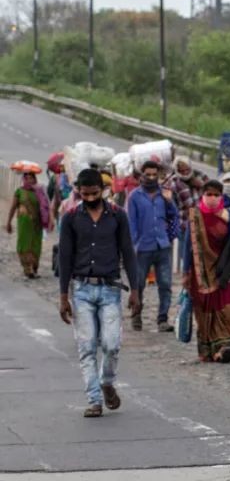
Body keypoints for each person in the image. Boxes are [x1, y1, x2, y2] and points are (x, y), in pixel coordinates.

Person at [57, 169, 140, 418]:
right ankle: (94, 399)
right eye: (85, 194)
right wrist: (63, 296)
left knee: (112, 344)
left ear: (102, 190)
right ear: (79, 192)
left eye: (94, 193)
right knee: (87, 346)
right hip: (81, 290)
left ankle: (107, 381)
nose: (90, 198)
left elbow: (128, 251)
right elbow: (65, 257)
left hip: (111, 289)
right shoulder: (70, 218)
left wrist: (135, 289)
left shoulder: (118, 216)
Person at [183, 180, 230, 363]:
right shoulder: (195, 216)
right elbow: (187, 246)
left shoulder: (227, 216)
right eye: (209, 194)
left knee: (226, 307)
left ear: (222, 196)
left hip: (222, 270)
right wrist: (186, 271)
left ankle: (224, 346)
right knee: (204, 309)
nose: (213, 198)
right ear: (202, 195)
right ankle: (209, 349)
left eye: (217, 195)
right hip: (200, 273)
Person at [126, 160, 179, 332]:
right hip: (142, 248)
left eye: (154, 175)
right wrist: (132, 246)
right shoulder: (134, 196)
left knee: (165, 284)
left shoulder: (165, 194)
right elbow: (131, 223)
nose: (151, 178)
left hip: (163, 245)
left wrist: (170, 202)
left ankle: (163, 319)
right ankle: (136, 316)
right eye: (147, 174)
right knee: (139, 284)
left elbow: (174, 217)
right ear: (141, 175)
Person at [6, 171, 52, 278]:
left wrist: (49, 220)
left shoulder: (39, 192)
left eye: (31, 178)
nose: (29, 180)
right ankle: (27, 269)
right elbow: (13, 207)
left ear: (35, 179)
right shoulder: (19, 192)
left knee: (36, 245)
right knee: (24, 244)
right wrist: (8, 222)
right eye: (26, 178)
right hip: (24, 224)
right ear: (23, 179)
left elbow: (46, 207)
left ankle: (34, 268)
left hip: (37, 224)